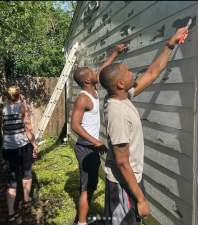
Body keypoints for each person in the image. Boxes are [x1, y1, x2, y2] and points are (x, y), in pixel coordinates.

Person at [99, 26, 189, 225]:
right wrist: (140, 199)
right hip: (124, 184)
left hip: (130, 180)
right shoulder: (118, 113)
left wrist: (171, 43)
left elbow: (151, 74)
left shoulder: (120, 96)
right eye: (127, 72)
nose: (132, 73)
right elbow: (122, 162)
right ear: (120, 84)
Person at [71, 44, 126, 225]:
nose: (96, 74)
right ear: (87, 80)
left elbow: (102, 70)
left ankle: (83, 219)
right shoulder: (83, 98)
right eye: (92, 74)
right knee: (86, 188)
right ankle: (81, 223)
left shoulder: (93, 90)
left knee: (91, 185)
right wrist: (95, 142)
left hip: (91, 148)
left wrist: (115, 53)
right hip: (86, 148)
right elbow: (75, 125)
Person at [1, 86, 38, 221]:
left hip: (7, 148)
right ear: (19, 95)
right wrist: (34, 145)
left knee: (12, 178)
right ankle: (26, 200)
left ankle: (10, 213)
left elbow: (4, 128)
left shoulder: (4, 108)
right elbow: (28, 128)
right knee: (27, 173)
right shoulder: (23, 107)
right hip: (22, 147)